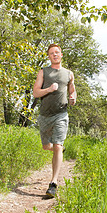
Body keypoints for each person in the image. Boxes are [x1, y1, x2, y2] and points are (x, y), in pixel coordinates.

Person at [33, 44, 76, 198]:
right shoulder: (43, 72)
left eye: (57, 52)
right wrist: (49, 89)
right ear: (49, 56)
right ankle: (59, 150)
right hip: (45, 115)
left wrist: (73, 98)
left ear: (61, 54)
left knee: (58, 145)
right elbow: (36, 92)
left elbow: (72, 91)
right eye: (51, 53)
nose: (55, 55)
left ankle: (53, 183)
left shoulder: (69, 74)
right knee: (47, 147)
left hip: (61, 114)